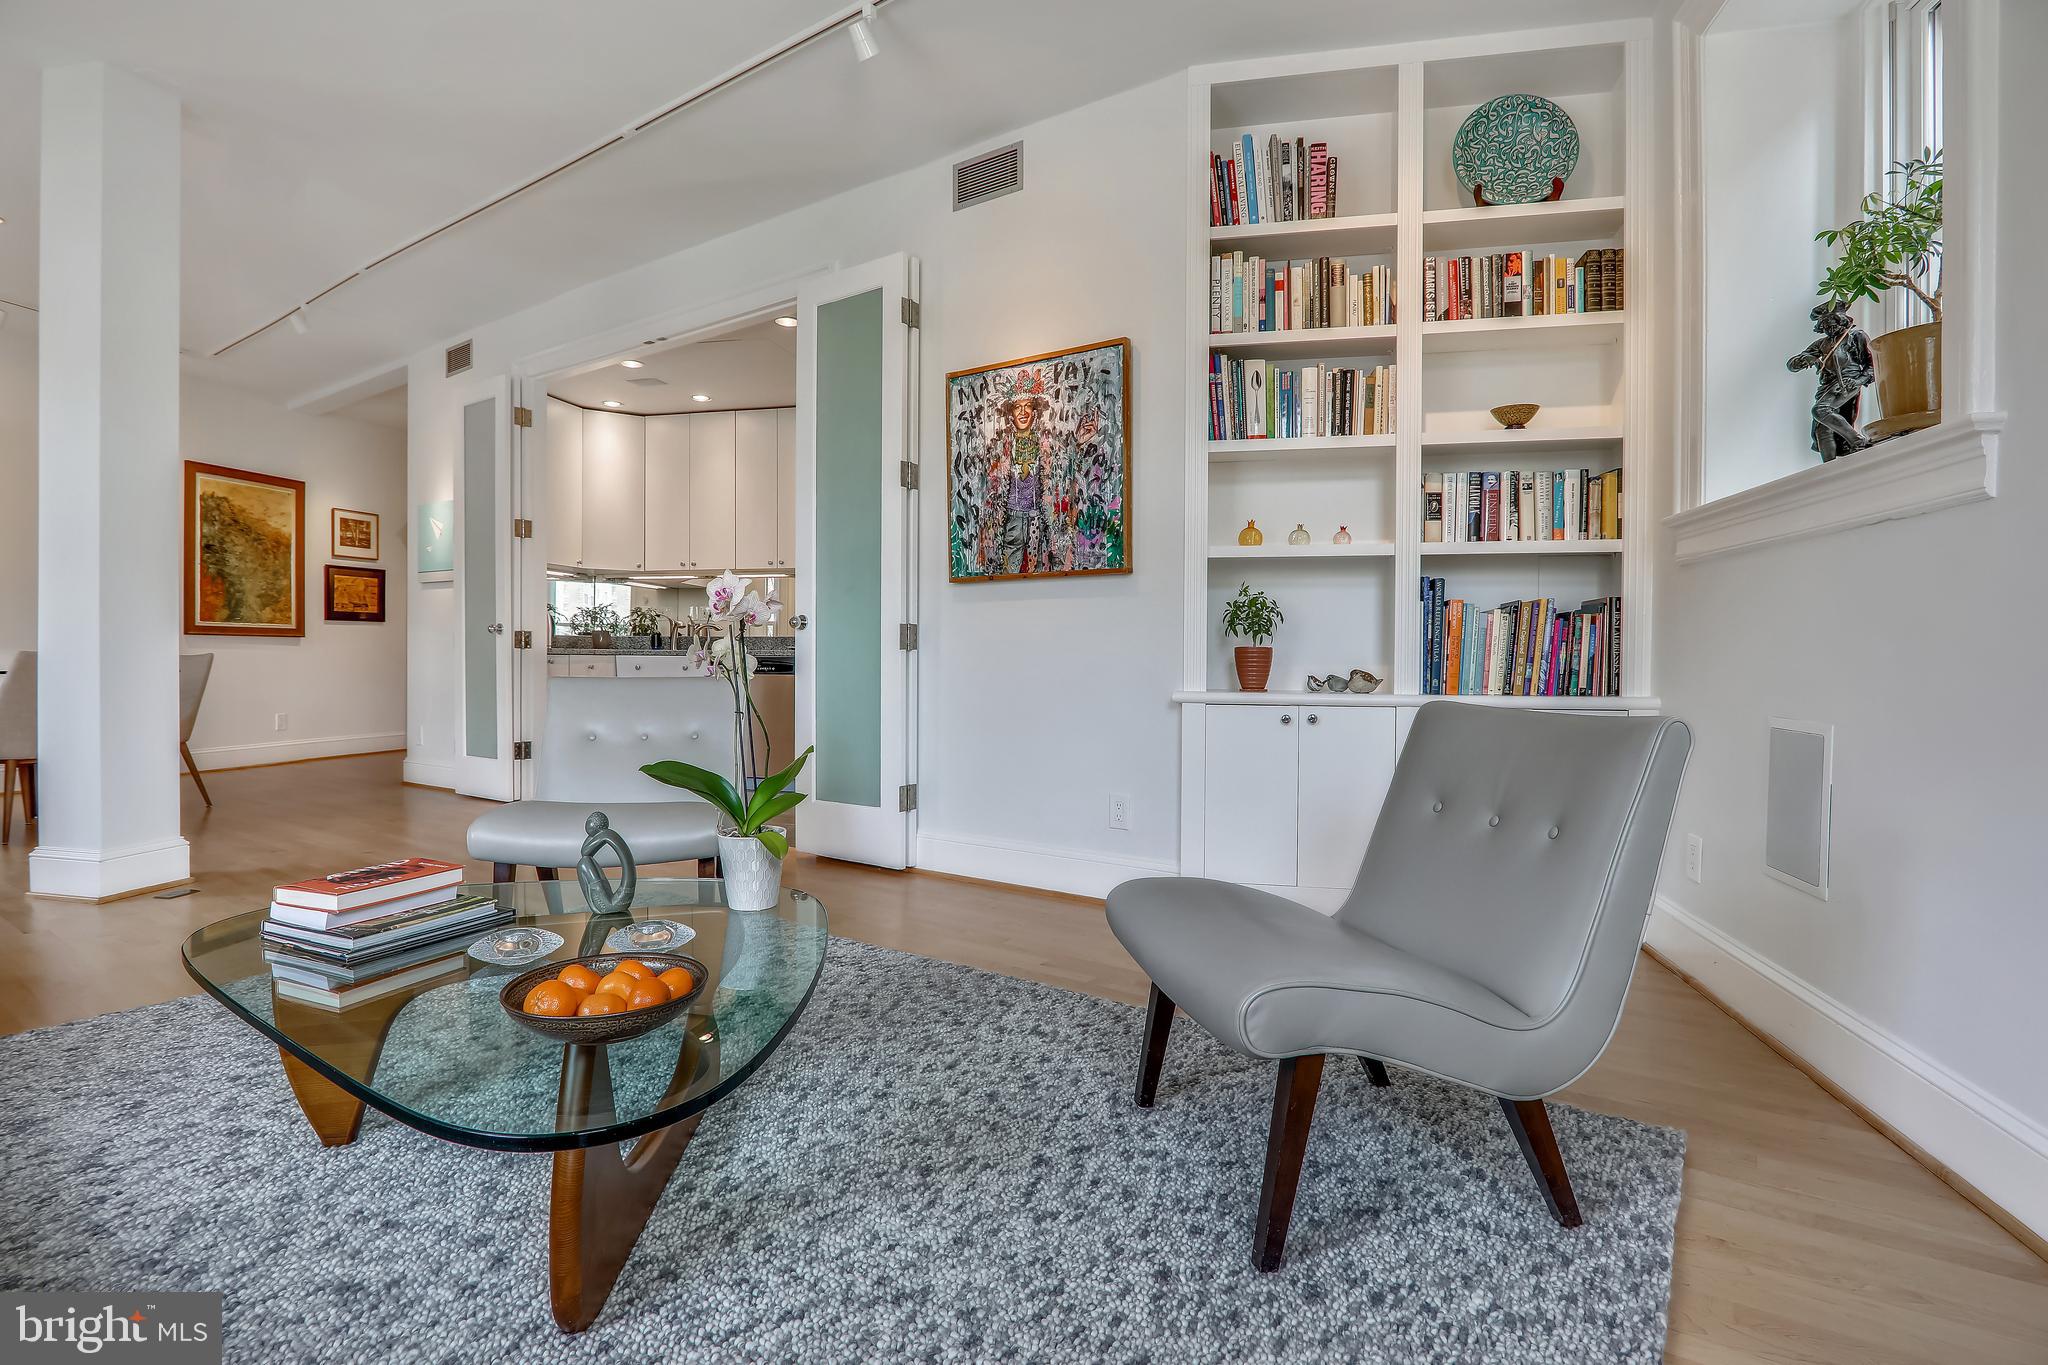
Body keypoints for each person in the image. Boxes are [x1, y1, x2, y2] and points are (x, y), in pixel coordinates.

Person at [1786, 301, 1874, 461]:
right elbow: (1792, 364)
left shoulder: (1856, 337)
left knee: (1820, 410)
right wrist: (1806, 358)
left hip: (1847, 383)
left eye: (1832, 324)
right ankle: (1829, 467)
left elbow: (1872, 365)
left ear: (1841, 321)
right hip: (1827, 387)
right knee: (1822, 429)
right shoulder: (1822, 344)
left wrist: (1859, 380)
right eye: (1825, 326)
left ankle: (1857, 440)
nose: (1829, 329)